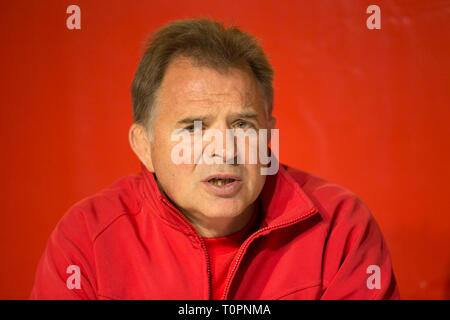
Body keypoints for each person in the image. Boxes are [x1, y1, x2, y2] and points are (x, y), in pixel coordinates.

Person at [30, 18, 400, 300]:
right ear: (144, 146)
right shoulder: (85, 239)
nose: (224, 148)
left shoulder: (340, 228)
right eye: (193, 127)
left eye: (242, 124)